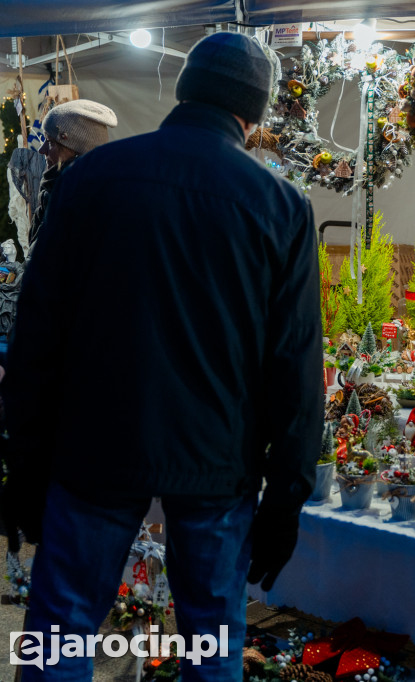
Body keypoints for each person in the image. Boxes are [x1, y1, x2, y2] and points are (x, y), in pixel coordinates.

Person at [2, 32, 322, 681]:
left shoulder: (90, 179)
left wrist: (23, 469)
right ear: (254, 113)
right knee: (211, 645)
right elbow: (294, 371)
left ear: (183, 90)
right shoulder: (280, 207)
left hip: (93, 451)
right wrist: (287, 501)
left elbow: (37, 336)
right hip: (216, 464)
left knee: (60, 635)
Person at [29, 99, 118, 247]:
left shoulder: (76, 200)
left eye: (50, 142)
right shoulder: (56, 189)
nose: (41, 150)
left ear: (76, 152)